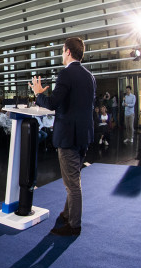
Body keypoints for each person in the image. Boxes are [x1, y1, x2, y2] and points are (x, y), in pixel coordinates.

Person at [30, 36, 96, 236]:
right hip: (84, 135)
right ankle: (68, 214)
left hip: (68, 136)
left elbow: (52, 104)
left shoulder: (66, 74)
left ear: (68, 51)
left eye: (61, 50)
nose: (61, 54)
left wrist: (38, 93)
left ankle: (74, 225)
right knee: (74, 179)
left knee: (72, 184)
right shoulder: (89, 76)